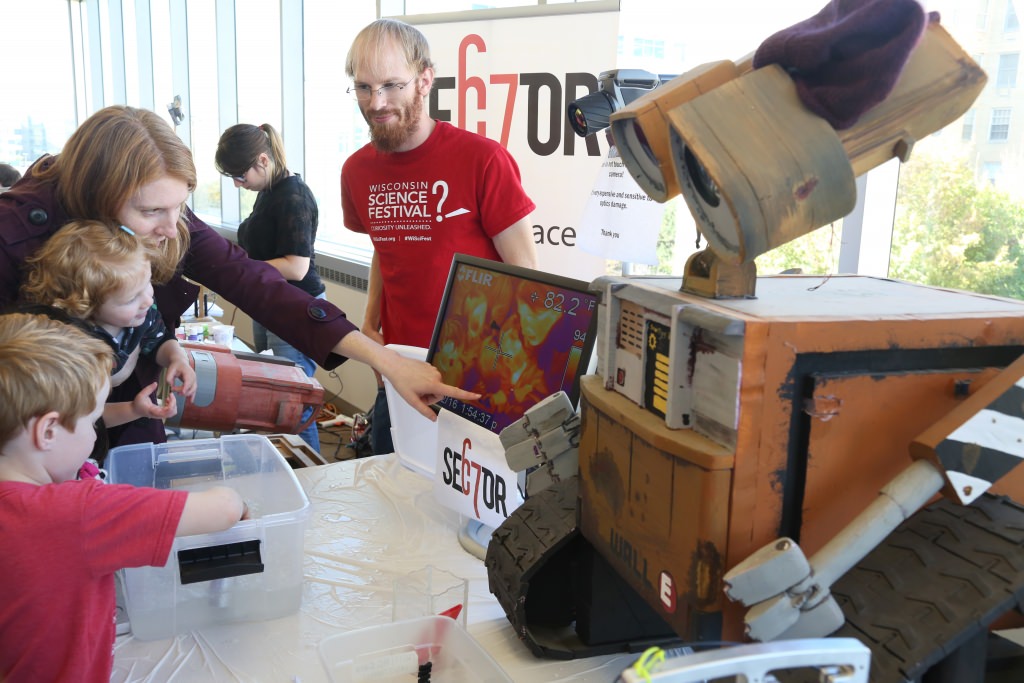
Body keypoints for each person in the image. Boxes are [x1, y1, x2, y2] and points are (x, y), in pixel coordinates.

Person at [0, 105, 478, 451]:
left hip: (125, 415)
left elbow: (256, 284)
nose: (172, 230)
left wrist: (387, 362)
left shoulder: (168, 219)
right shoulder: (13, 235)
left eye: (179, 208)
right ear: (99, 199)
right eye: (152, 213)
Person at [0, 311, 247, 682]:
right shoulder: (78, 512)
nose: (93, 437)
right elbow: (224, 509)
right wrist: (239, 502)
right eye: (91, 421)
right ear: (48, 431)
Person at [341, 19, 538, 454]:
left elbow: (526, 278)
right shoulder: (356, 171)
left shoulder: (483, 160)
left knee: (465, 515)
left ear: (425, 80)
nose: (377, 103)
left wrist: (501, 369)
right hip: (399, 366)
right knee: (393, 494)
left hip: (475, 378)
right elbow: (384, 251)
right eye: (364, 87)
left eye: (392, 85)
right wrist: (371, 325)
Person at [20, 219, 197, 436]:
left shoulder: (141, 313)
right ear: (84, 304)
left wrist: (176, 359)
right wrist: (132, 409)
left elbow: (158, 338)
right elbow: (79, 418)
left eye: (148, 285)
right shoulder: (73, 348)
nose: (148, 301)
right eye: (131, 299)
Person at [215, 123, 323, 452]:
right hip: (269, 305)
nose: (236, 184)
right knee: (275, 399)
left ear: (263, 160)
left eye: (240, 176)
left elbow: (296, 265)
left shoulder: (293, 197)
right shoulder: (268, 191)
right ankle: (287, 469)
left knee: (294, 403)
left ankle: (313, 480)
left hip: (296, 308)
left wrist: (243, 269)